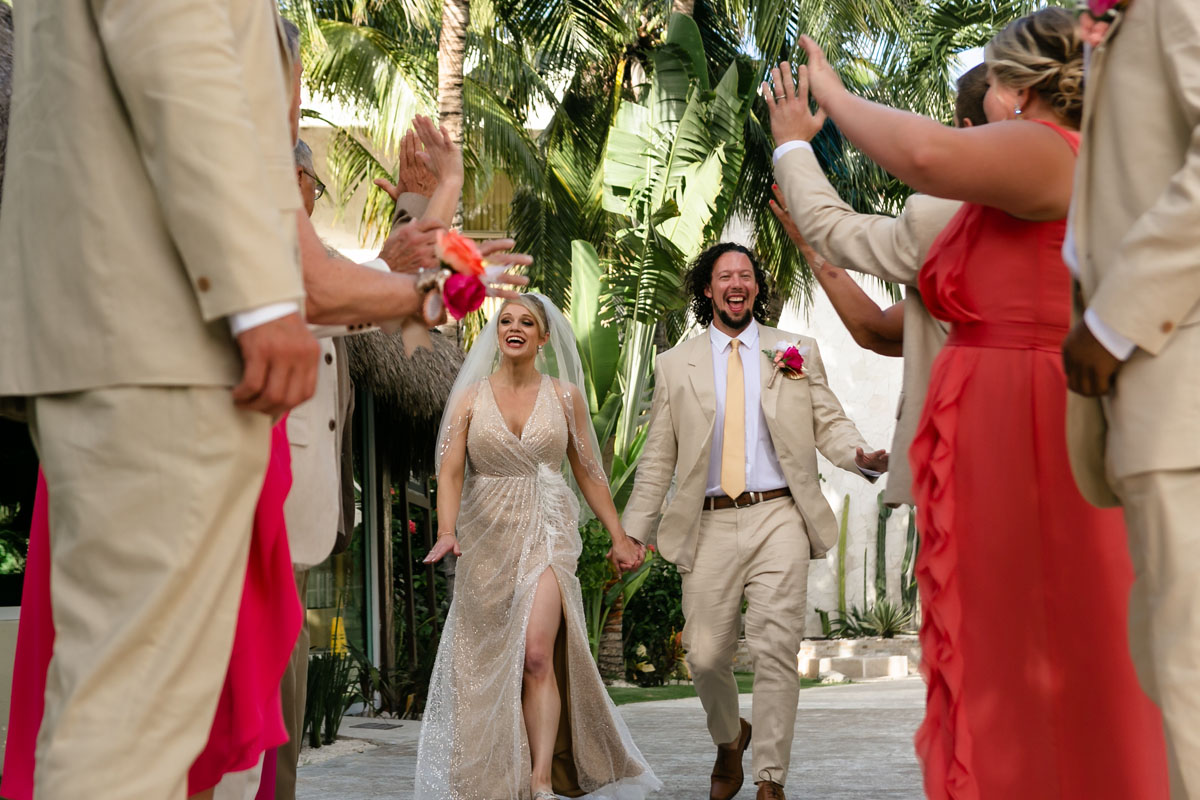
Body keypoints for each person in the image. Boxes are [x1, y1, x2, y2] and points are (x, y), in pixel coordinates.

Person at [763, 8, 1169, 798]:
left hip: (1033, 428)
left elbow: (918, 155)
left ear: (1019, 88)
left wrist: (825, 107)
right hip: (996, 429)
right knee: (1007, 648)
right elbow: (850, 252)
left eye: (996, 77)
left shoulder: (1057, 154)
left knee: (1049, 642)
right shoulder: (990, 200)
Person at [0, 4, 320, 797]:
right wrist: (260, 298)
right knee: (131, 727)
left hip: (124, 344)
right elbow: (173, 50)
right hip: (166, 354)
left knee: (134, 718)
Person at [622, 243, 887, 800]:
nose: (736, 283)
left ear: (757, 288)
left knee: (774, 648)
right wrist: (632, 533)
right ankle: (729, 736)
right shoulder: (676, 365)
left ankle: (770, 778)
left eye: (746, 274)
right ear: (708, 289)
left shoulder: (794, 350)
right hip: (709, 522)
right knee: (706, 655)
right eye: (725, 276)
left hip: (779, 516)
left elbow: (829, 422)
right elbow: (657, 461)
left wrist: (858, 455)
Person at [418, 295, 661, 800]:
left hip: (548, 532)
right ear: (495, 333)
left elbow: (590, 474)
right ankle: (493, 775)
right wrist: (446, 531)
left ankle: (542, 780)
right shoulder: (468, 400)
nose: (514, 328)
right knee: (486, 662)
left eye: (526, 322)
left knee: (535, 655)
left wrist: (619, 536)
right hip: (486, 537)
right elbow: (451, 471)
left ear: (543, 338)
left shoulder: (566, 397)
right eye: (506, 320)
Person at [1061, 0, 1200, 794]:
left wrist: (1114, 320)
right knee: (1171, 666)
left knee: (1188, 679)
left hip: (1177, 381)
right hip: (1154, 403)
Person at [765, 63, 989, 507]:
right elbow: (878, 332)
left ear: (965, 131)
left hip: (972, 469)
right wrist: (811, 252)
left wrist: (792, 143)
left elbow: (835, 228)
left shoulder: (950, 223)